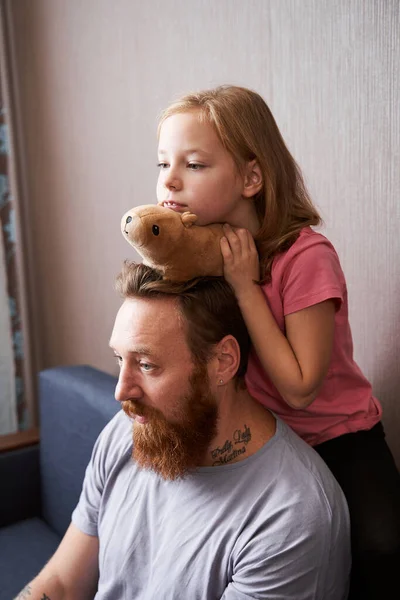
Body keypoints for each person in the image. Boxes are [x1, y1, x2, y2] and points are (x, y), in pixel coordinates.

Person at [156, 84, 400, 600]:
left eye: (194, 165)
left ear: (251, 177)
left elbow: (301, 388)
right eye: (163, 164)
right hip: (269, 443)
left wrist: (246, 286)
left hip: (338, 438)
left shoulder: (305, 256)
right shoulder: (203, 253)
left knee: (380, 548)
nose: (170, 181)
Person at [15, 263, 350, 599]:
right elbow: (60, 582)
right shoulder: (127, 432)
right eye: (120, 359)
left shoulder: (290, 519)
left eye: (146, 365)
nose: (121, 391)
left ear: (223, 361)